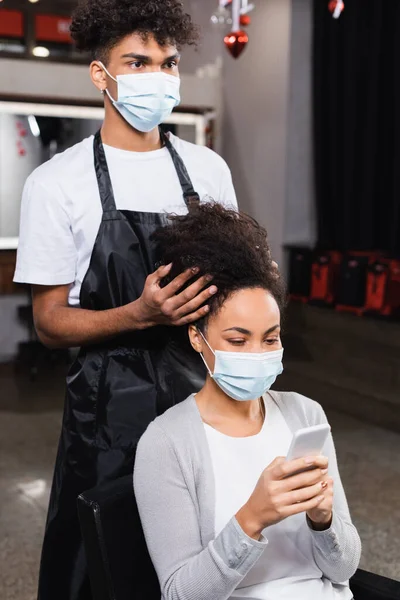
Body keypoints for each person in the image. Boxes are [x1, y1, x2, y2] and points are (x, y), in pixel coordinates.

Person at [13, 1, 237, 599]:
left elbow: (233, 288)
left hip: (204, 395)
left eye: (167, 63)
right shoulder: (57, 183)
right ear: (100, 73)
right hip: (109, 409)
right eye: (137, 62)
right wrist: (138, 314)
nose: (157, 77)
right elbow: (50, 324)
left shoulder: (207, 171)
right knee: (104, 562)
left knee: (205, 552)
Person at [134, 203, 362, 600]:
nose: (257, 354)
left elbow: (343, 569)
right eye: (238, 341)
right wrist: (252, 518)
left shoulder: (304, 414)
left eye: (270, 338)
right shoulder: (167, 443)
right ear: (196, 338)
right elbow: (179, 594)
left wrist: (324, 521)